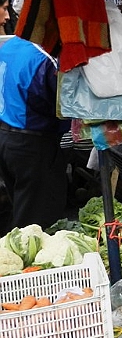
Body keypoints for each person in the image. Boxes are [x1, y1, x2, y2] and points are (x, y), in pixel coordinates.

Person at [0, 27, 69, 234]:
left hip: (6, 137)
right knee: (36, 224)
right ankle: (30, 265)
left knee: (21, 209)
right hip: (32, 145)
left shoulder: (11, 45)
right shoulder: (45, 58)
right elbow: (63, 106)